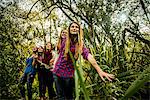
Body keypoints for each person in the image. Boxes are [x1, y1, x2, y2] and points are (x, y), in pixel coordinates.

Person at [53, 22, 115, 100]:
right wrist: (53, 65)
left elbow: (88, 56)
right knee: (60, 97)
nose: (74, 28)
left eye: (76, 27)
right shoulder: (64, 40)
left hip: (67, 75)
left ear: (79, 30)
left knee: (69, 97)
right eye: (72, 27)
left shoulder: (80, 45)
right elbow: (58, 54)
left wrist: (100, 71)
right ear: (69, 29)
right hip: (56, 72)